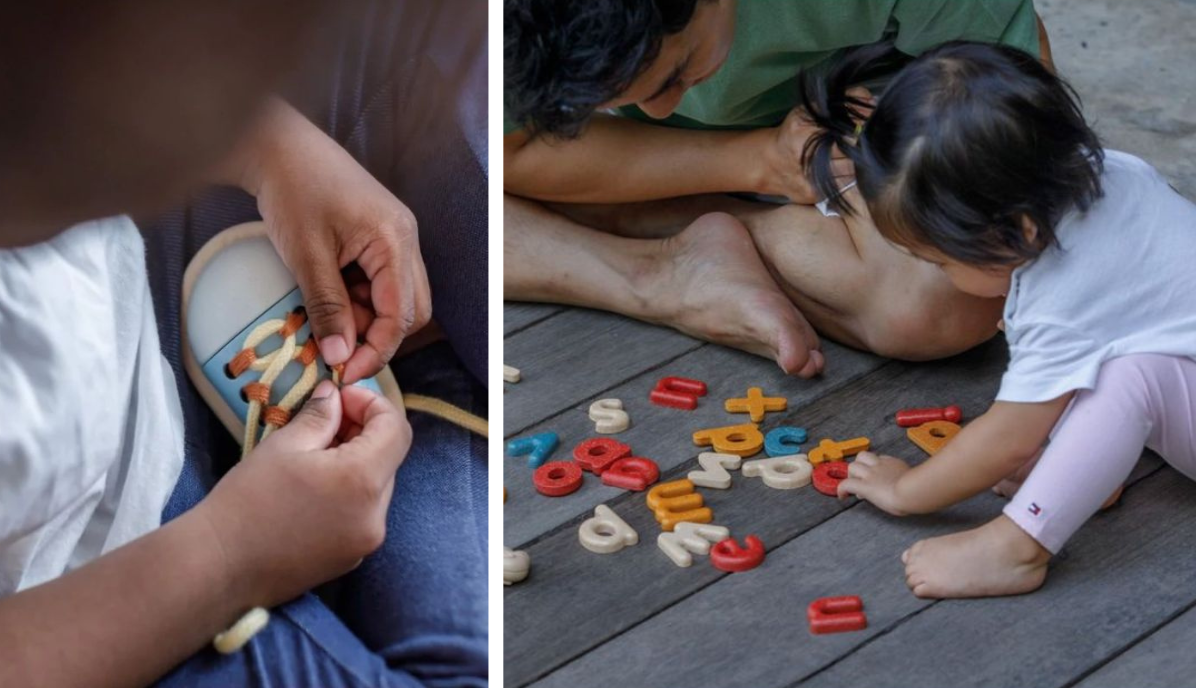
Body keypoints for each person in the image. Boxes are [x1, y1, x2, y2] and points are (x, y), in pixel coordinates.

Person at [0, 1, 487, 685]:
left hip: (131, 277)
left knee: (436, 32)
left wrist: (266, 146)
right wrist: (229, 552)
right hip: (103, 593)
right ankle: (437, 389)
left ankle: (424, 383)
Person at [802, 41, 1196, 598]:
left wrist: (906, 491)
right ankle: (1081, 472)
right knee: (1119, 366)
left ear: (1022, 230)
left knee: (1128, 380)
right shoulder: (1115, 174)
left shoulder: (1063, 296)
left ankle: (1016, 549)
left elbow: (1007, 441)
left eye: (939, 259)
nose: (937, 274)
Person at [504, 0, 1052, 375]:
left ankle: (683, 224)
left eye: (675, 74)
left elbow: (1015, 116)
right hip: (645, 158)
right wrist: (758, 160)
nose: (664, 107)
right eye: (606, 97)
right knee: (458, 195)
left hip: (863, 150)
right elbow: (513, 150)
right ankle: (659, 279)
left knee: (939, 301)